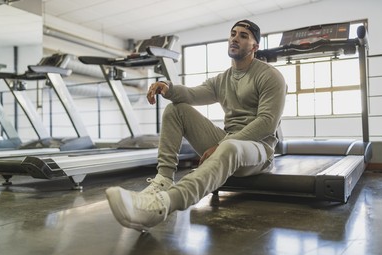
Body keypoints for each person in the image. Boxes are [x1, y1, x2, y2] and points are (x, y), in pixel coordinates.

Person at [106, 19, 287, 231]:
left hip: (258, 150)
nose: (235, 38)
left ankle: (162, 206)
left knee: (229, 146)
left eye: (243, 36)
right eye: (233, 33)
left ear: (254, 47)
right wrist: (168, 87)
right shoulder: (223, 79)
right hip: (229, 142)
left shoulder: (270, 76)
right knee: (176, 109)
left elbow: (266, 123)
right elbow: (192, 94)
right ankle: (163, 180)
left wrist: (222, 145)